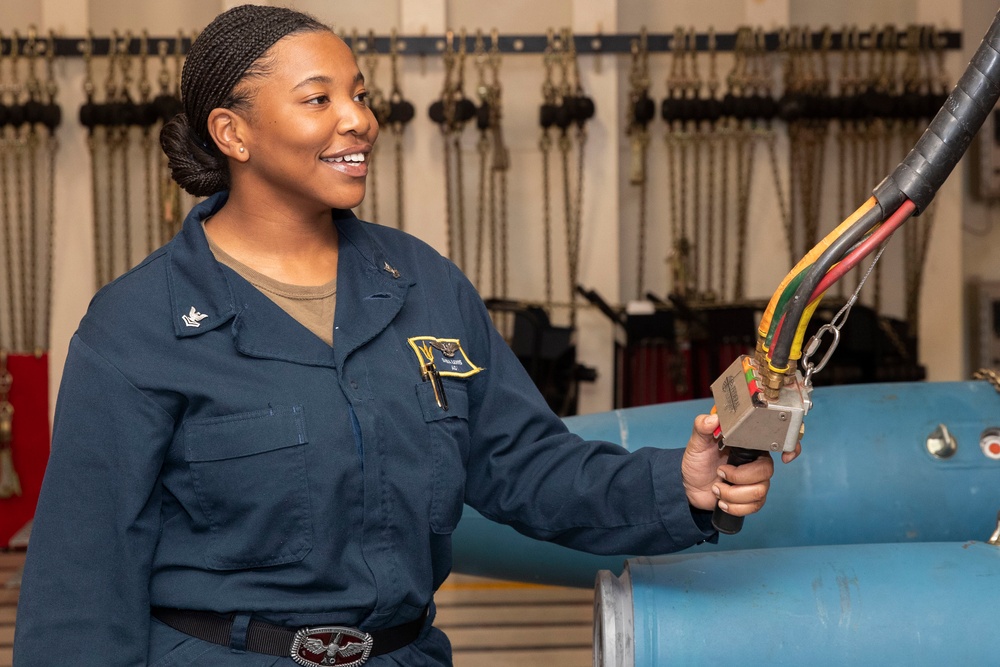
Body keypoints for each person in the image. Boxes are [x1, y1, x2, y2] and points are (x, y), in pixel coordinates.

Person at [14, 5, 790, 665]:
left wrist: (681, 485)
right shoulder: (139, 325)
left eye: (358, 93)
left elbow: (526, 464)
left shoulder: (421, 284)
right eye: (318, 100)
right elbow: (83, 580)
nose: (360, 119)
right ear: (232, 133)